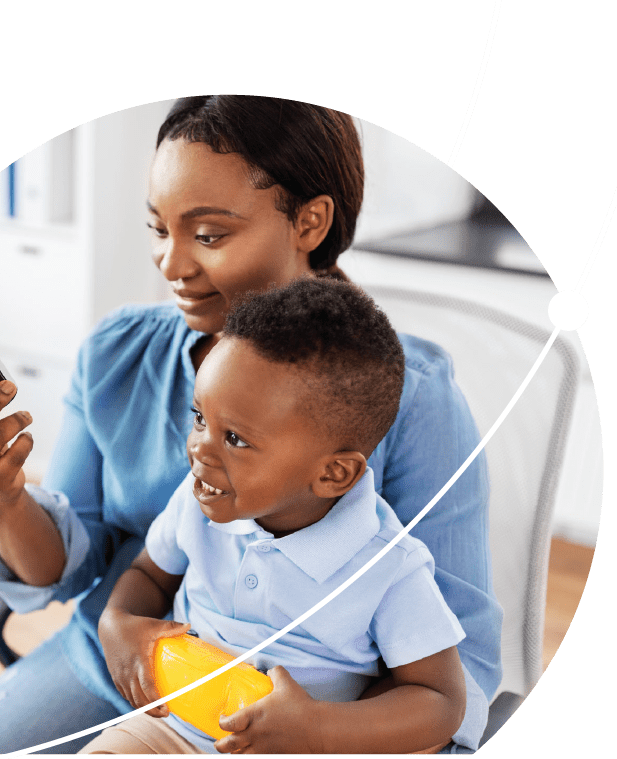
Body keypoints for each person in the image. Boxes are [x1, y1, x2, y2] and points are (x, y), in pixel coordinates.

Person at [0, 96, 502, 754]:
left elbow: (456, 682)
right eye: (159, 229)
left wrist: (319, 731)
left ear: (311, 221)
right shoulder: (118, 352)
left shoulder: (411, 402)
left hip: (319, 722)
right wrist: (3, 494)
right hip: (130, 676)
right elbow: (68, 569)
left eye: (208, 235)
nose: (172, 266)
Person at [80, 277, 467, 756]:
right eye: (200, 417)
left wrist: (319, 729)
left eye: (235, 439)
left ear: (333, 474)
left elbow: (441, 701)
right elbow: (149, 574)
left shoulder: (389, 568)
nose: (200, 447)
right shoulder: (197, 502)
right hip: (174, 734)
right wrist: (117, 623)